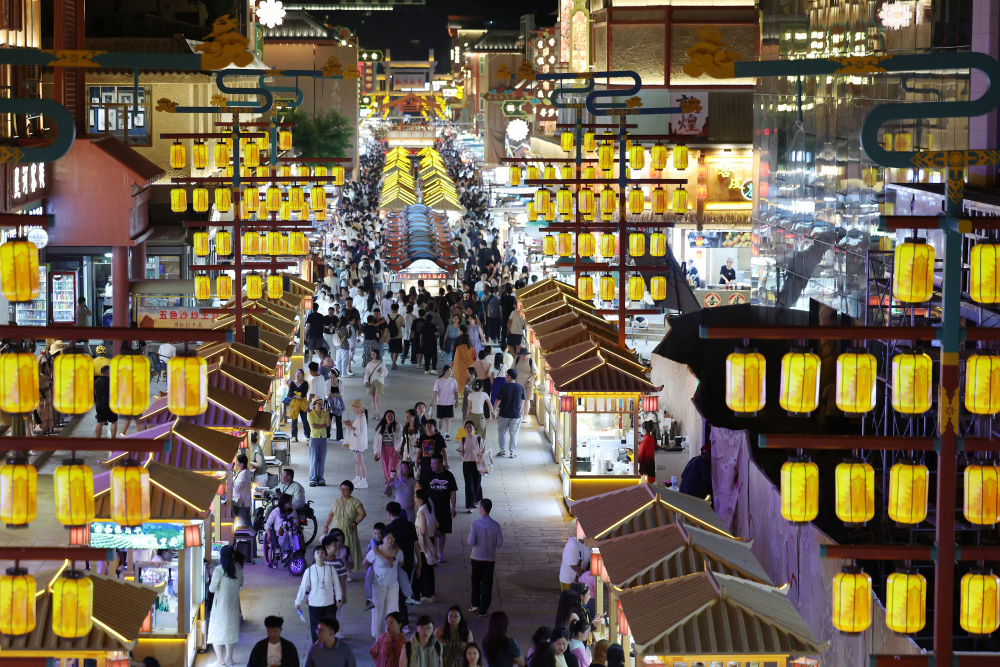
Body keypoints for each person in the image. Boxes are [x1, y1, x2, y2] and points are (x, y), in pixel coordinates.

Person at [296, 546, 345, 643]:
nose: (320, 554)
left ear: (325, 555)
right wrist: (298, 601)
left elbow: (337, 585)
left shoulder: (331, 569)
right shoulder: (309, 571)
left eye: (322, 552)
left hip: (329, 604)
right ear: (314, 555)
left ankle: (330, 646)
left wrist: (339, 599)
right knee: (316, 629)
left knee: (330, 627)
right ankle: (317, 647)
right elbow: (303, 587)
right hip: (314, 605)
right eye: (317, 552)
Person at [365, 526, 405, 638]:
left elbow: (401, 563)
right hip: (378, 586)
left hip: (393, 585)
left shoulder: (398, 551)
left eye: (392, 538)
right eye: (388, 538)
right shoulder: (375, 551)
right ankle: (378, 636)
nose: (390, 540)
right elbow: (365, 562)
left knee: (393, 610)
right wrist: (373, 572)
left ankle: (392, 634)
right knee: (378, 610)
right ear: (383, 539)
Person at [207, 545, 243, 666]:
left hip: (221, 606)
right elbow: (241, 583)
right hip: (233, 604)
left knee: (216, 631)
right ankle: (230, 659)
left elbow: (212, 589)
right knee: (231, 631)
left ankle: (220, 660)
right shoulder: (238, 567)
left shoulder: (219, 570)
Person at [384, 501, 419, 627]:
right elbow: (416, 545)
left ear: (389, 514)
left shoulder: (388, 529)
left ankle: (403, 620)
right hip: (409, 563)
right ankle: (402, 615)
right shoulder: (410, 525)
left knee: (397, 592)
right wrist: (419, 562)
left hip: (395, 565)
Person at [466, 498, 502, 615]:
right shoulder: (495, 525)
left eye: (479, 506)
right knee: (487, 584)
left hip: (476, 557)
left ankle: (475, 604)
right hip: (489, 559)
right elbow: (499, 543)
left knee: (476, 582)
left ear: (482, 508)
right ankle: (483, 609)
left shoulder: (475, 524)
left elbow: (471, 541)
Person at [323, 480, 367, 574]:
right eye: (341, 488)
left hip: (348, 530)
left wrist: (356, 522)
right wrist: (326, 525)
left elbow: (362, 514)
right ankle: (334, 569)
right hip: (335, 530)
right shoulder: (336, 501)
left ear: (350, 491)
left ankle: (348, 571)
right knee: (334, 549)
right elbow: (331, 514)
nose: (342, 491)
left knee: (348, 550)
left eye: (345, 489)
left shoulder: (355, 502)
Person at [425, 455, 458, 562]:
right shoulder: (428, 474)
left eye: (435, 464)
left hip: (444, 508)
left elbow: (453, 492)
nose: (432, 466)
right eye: (431, 464)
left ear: (441, 464)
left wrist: (453, 507)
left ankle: (440, 552)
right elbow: (423, 491)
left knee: (442, 532)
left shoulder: (448, 475)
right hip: (430, 509)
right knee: (432, 532)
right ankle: (433, 552)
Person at [412, 488, 438, 602]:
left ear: (421, 499)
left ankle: (427, 593)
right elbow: (436, 524)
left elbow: (422, 530)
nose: (414, 499)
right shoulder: (429, 506)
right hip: (430, 539)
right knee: (429, 567)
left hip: (424, 543)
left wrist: (414, 527)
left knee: (424, 568)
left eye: (416, 497)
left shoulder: (421, 511)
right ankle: (430, 591)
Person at [493, 369, 525, 458]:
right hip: (515, 415)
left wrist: (493, 410)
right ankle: (512, 452)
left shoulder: (504, 386)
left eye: (506, 375)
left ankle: (502, 451)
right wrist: (520, 410)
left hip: (503, 414)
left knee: (502, 432)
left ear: (509, 377)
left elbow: (498, 400)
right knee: (514, 434)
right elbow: (523, 399)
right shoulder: (520, 387)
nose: (505, 377)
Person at [457, 423, 484, 509]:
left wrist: (482, 452)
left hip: (477, 463)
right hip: (466, 463)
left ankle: (477, 501)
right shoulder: (463, 439)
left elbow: (483, 451)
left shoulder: (479, 439)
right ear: (465, 429)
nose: (469, 429)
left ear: (474, 428)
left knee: (477, 483)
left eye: (470, 427)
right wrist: (460, 451)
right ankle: (470, 504)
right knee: (468, 484)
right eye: (467, 427)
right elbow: (462, 453)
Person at [374, 409, 404, 486]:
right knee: (385, 465)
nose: (390, 417)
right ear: (385, 417)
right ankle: (388, 480)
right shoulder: (382, 426)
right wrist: (376, 452)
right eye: (388, 416)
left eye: (392, 416)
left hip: (394, 450)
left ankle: (391, 482)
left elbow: (400, 438)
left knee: (392, 467)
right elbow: (377, 439)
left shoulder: (397, 426)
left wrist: (397, 449)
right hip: (384, 449)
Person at [308, 398, 333, 487]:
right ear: (314, 405)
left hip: (323, 438)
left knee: (322, 460)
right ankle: (312, 479)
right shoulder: (310, 414)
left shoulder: (324, 413)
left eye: (321, 404)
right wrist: (323, 426)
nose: (320, 405)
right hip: (314, 438)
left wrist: (327, 415)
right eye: (318, 404)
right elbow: (314, 426)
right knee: (314, 460)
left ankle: (321, 479)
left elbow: (328, 424)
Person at [345, 398, 370, 488]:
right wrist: (351, 426)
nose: (353, 410)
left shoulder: (362, 418)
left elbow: (358, 432)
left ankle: (364, 480)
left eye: (354, 408)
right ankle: (357, 477)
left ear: (359, 408)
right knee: (357, 461)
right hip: (357, 443)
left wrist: (350, 426)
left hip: (359, 444)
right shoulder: (360, 417)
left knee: (360, 462)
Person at [432, 366, 459, 439]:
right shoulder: (438, 381)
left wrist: (457, 401)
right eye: (449, 371)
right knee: (440, 419)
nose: (450, 373)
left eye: (451, 371)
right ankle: (440, 431)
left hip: (449, 403)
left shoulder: (453, 381)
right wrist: (433, 401)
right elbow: (435, 392)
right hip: (440, 403)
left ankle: (447, 433)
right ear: (445, 371)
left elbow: (456, 392)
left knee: (448, 419)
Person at [93, 364, 117, 439]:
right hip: (110, 405)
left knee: (100, 422)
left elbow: (94, 392)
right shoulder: (111, 381)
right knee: (114, 422)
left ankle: (98, 439)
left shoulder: (96, 381)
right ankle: (113, 439)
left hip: (99, 405)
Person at [287, 368, 311, 442]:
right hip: (294, 404)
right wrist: (297, 396)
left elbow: (303, 394)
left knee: (304, 420)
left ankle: (308, 435)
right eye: (297, 373)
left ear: (302, 375)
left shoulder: (305, 383)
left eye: (300, 373)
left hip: (303, 404)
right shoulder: (292, 383)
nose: (298, 374)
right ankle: (294, 436)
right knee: (294, 420)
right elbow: (290, 393)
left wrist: (295, 394)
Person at [232, 454, 252, 527]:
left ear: (242, 463)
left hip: (242, 503)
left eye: (238, 462)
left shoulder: (244, 473)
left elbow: (237, 487)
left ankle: (251, 534)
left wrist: (231, 480)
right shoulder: (244, 471)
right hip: (243, 502)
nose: (236, 463)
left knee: (245, 525)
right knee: (247, 524)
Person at [387, 304, 406, 370]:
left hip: (389, 336)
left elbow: (385, 326)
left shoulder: (387, 316)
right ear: (397, 309)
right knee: (396, 351)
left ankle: (394, 363)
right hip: (398, 336)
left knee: (391, 350)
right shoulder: (400, 316)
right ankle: (393, 364)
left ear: (391, 309)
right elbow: (404, 325)